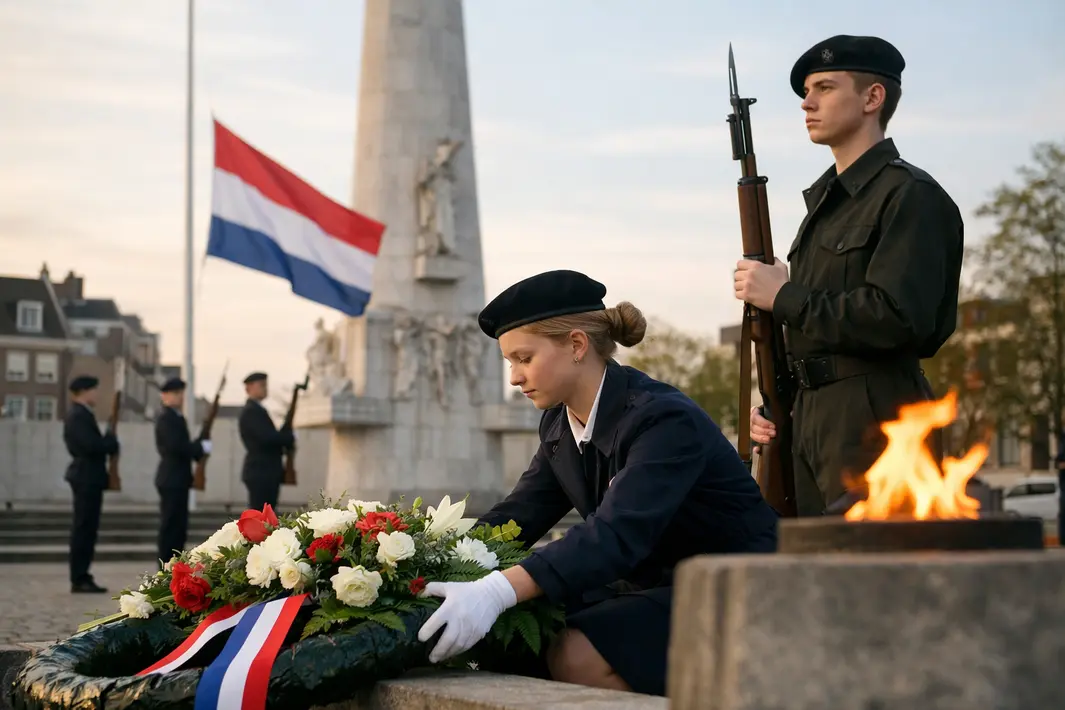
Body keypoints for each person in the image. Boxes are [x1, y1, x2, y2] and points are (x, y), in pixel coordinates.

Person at [416, 269, 779, 697]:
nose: (514, 377)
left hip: (739, 587)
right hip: (658, 587)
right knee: (521, 636)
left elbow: (615, 534)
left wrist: (497, 590)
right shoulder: (559, 423)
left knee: (577, 654)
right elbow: (519, 516)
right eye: (510, 362)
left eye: (524, 358)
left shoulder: (662, 419)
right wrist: (424, 565)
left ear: (576, 345)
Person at [734, 35, 964, 516]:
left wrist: (785, 296)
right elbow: (814, 332)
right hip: (811, 416)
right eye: (807, 91)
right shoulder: (825, 207)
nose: (807, 102)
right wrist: (777, 403)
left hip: (876, 417)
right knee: (810, 558)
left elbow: (900, 317)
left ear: (872, 97)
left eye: (825, 87)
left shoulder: (909, 195)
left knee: (877, 559)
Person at [63, 375, 119, 594]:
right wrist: (109, 443)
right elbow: (90, 446)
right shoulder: (78, 415)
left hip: (89, 476)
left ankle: (82, 574)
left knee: (87, 528)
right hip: (85, 476)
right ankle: (79, 577)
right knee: (84, 528)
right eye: (94, 390)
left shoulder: (82, 414)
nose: (97, 394)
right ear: (84, 391)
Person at [154, 377, 211, 567]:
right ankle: (165, 567)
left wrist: (200, 445)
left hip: (178, 478)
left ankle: (175, 566)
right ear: (164, 396)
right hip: (171, 478)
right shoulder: (166, 418)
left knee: (178, 528)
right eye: (175, 393)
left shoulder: (177, 417)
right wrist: (198, 447)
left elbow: (183, 446)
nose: (180, 397)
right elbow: (176, 447)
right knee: (171, 527)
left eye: (180, 393)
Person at [238, 372, 294, 510]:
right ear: (249, 388)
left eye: (265, 385)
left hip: (265, 471)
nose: (265, 389)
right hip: (261, 471)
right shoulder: (251, 411)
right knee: (260, 514)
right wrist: (287, 438)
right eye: (261, 385)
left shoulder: (258, 410)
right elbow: (266, 437)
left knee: (266, 513)